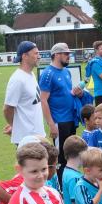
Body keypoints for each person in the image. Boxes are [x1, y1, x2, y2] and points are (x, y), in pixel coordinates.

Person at [39, 42, 84, 176]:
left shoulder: (66, 71)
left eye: (69, 54)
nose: (68, 56)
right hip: (59, 120)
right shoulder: (48, 73)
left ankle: (70, 182)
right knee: (60, 157)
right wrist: (52, 124)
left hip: (71, 119)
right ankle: (60, 186)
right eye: (66, 54)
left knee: (72, 154)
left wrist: (77, 93)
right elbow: (43, 100)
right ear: (56, 54)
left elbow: (65, 92)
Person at [3, 41, 45, 145]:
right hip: (27, 140)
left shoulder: (31, 74)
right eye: (36, 53)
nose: (39, 56)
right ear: (25, 56)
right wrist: (14, 126)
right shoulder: (17, 79)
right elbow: (7, 108)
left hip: (38, 136)